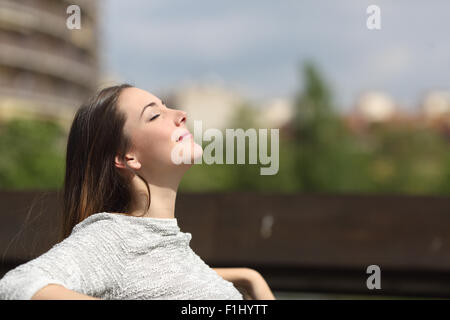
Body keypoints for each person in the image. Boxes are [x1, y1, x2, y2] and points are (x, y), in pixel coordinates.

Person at [0, 84, 275, 300]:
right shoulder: (114, 237)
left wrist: (250, 278)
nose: (181, 115)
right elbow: (17, 286)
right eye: (155, 115)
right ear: (127, 157)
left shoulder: (165, 245)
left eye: (166, 107)